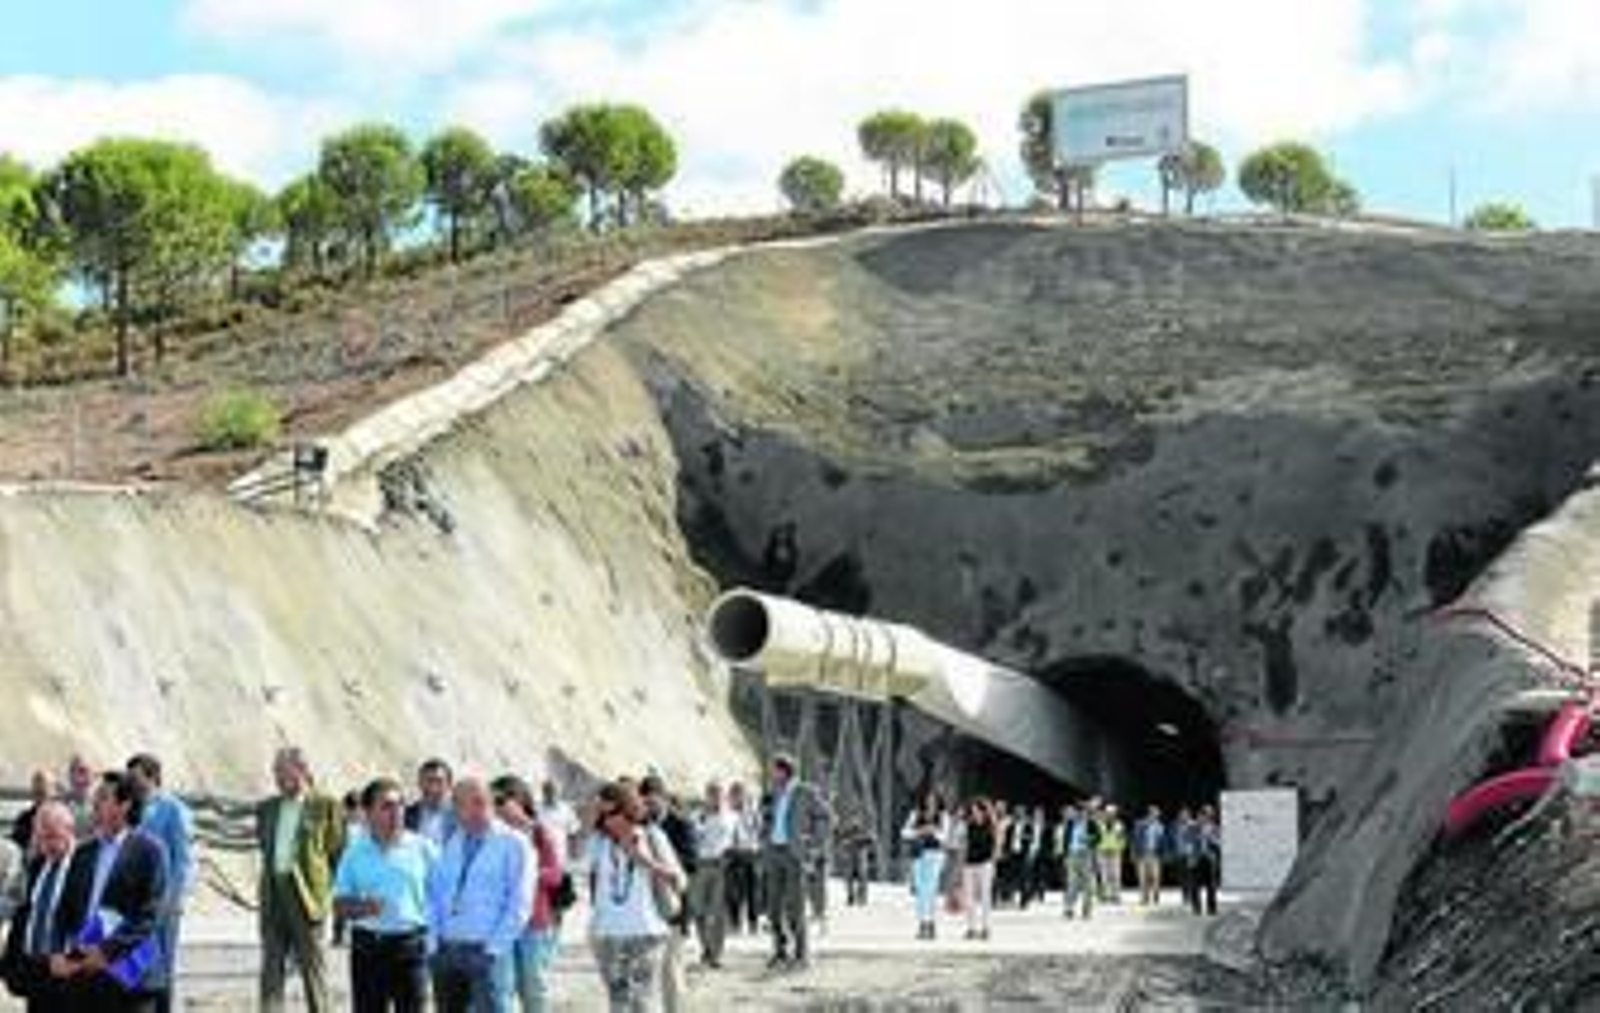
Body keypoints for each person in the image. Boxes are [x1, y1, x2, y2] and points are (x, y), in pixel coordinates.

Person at [52, 770, 171, 1011]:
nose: (95, 802)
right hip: (85, 976)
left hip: (130, 978)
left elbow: (150, 915)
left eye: (103, 797)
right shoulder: (84, 852)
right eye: (96, 796)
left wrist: (107, 951)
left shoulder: (150, 851)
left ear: (124, 805)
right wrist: (57, 952)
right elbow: (64, 910)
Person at [426, 776, 534, 1013]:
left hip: (485, 954)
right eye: (463, 804)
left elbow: (520, 904)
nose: (473, 810)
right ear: (455, 808)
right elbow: (434, 895)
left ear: (492, 804)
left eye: (480, 802)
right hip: (446, 951)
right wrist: (433, 944)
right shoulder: (450, 842)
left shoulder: (514, 843)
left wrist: (492, 951)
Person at [332, 776, 436, 1013]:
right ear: (368, 813)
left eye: (400, 805)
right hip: (368, 948)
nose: (396, 812)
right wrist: (363, 907)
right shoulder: (354, 853)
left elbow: (443, 895)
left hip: (411, 947)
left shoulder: (424, 849)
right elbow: (338, 905)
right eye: (387, 806)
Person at [257, 746, 345, 1013]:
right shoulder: (266, 808)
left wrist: (326, 895)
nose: (278, 777)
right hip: (274, 893)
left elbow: (336, 853)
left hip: (307, 896)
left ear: (302, 771)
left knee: (313, 968)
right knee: (271, 967)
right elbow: (265, 847)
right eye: (275, 772)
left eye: (283, 771)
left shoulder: (325, 805)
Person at [587, 779, 685, 1012]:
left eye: (612, 813)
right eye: (602, 815)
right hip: (608, 933)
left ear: (629, 809)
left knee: (641, 1003)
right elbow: (579, 867)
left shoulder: (652, 837)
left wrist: (642, 859)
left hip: (645, 933)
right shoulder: (599, 843)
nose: (607, 820)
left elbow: (679, 881)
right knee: (618, 1003)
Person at [490, 774, 566, 1013]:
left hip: (533, 920)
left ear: (520, 800)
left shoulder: (538, 831)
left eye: (504, 799)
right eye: (495, 801)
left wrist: (527, 874)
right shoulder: (488, 833)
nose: (500, 806)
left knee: (532, 986)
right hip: (498, 922)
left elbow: (556, 875)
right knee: (501, 987)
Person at [125, 754, 194, 1013]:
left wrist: (172, 900)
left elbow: (183, 860)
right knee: (135, 962)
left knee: (162, 965)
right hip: (134, 902)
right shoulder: (131, 807)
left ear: (151, 777)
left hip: (163, 904)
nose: (130, 781)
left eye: (136, 776)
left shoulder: (172, 809)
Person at [0, 801, 77, 1010]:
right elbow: (24, 914)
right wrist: (9, 965)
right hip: (35, 973)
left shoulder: (84, 866)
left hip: (67, 975)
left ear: (70, 830)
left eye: (52, 836)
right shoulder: (38, 865)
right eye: (40, 837)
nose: (46, 844)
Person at [761, 754, 829, 969]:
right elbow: (769, 820)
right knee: (772, 907)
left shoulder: (805, 792)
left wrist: (812, 843)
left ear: (784, 771)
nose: (772, 774)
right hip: (774, 853)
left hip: (794, 854)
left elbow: (826, 817)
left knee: (795, 906)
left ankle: (801, 954)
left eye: (775, 770)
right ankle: (780, 950)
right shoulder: (774, 794)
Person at [688, 781, 736, 970]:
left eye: (717, 794)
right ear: (706, 796)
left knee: (717, 912)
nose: (714, 797)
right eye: (711, 794)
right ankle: (706, 947)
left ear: (723, 796)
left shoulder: (731, 817)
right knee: (698, 910)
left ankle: (716, 953)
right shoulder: (697, 816)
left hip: (721, 865)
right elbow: (692, 839)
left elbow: (736, 840)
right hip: (700, 865)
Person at [901, 790, 949, 940]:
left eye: (933, 800)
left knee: (931, 888)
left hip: (935, 854)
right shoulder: (915, 814)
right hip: (918, 853)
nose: (930, 803)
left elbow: (944, 836)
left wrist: (934, 831)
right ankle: (922, 922)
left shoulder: (943, 816)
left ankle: (930, 922)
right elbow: (904, 832)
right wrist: (919, 831)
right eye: (928, 800)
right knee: (921, 889)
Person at [723, 781, 762, 935]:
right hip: (732, 853)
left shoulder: (752, 813)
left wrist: (756, 846)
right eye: (734, 795)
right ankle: (735, 922)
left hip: (750, 853)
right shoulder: (726, 813)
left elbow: (758, 831)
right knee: (733, 890)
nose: (736, 798)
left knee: (752, 889)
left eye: (739, 794)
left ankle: (753, 922)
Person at [960, 798, 998, 941]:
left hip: (985, 863)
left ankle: (986, 927)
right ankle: (971, 928)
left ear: (983, 811)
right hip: (969, 864)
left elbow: (996, 845)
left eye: (977, 810)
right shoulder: (968, 825)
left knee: (985, 897)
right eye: (973, 810)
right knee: (969, 897)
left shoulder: (991, 825)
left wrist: (993, 861)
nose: (975, 813)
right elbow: (964, 844)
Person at [406, 759, 458, 848]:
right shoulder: (406, 815)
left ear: (449, 785)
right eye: (429, 781)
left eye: (439, 781)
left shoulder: (460, 816)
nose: (433, 788)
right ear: (419, 783)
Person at [1060, 802, 1100, 920]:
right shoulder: (1070, 824)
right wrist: (1065, 855)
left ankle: (1086, 910)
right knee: (1072, 883)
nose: (1081, 814)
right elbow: (1066, 840)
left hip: (1086, 855)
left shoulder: (1091, 824)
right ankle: (1069, 909)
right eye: (1078, 812)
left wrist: (1089, 839)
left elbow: (1099, 838)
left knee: (1088, 885)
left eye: (1083, 812)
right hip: (1072, 855)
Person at [10, 770, 56, 856]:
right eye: (37, 791)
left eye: (43, 790)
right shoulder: (24, 819)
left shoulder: (62, 818)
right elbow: (15, 843)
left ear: (53, 791)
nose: (39, 789)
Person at [535, 780, 581, 865]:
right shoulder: (537, 809)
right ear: (543, 792)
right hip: (541, 854)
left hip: (559, 854)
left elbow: (574, 831)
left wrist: (574, 850)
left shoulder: (566, 809)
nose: (550, 794)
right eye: (548, 791)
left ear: (558, 792)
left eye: (553, 791)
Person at [1133, 806, 1167, 906]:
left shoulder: (1160, 826)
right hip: (1143, 854)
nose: (1155, 816)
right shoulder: (1140, 824)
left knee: (1155, 877)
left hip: (1155, 854)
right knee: (1143, 877)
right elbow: (1135, 839)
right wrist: (1135, 853)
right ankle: (1144, 897)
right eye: (1153, 814)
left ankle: (1156, 894)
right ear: (1149, 814)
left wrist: (1163, 854)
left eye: (1157, 814)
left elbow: (1163, 841)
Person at [1192, 806, 1222, 917]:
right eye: (1205, 815)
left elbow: (1219, 843)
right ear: (1200, 815)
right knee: (1195, 885)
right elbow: (1188, 841)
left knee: (1211, 885)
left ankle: (1212, 908)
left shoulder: (1214, 828)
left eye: (1209, 815)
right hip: (1197, 858)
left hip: (1209, 858)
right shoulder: (1193, 827)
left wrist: (1211, 838)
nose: (1207, 817)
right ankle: (1197, 908)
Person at [1096, 804, 1126, 904]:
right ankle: (1104, 895)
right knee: (1103, 875)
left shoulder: (1119, 825)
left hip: (1115, 852)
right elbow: (1095, 837)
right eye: (1108, 812)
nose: (1110, 814)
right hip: (1102, 852)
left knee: (1116, 874)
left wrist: (1120, 848)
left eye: (1112, 813)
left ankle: (1116, 895)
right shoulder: (1099, 824)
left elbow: (1122, 838)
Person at [1172, 808, 1200, 913]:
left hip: (1189, 854)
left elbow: (1197, 840)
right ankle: (1185, 897)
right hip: (1180, 854)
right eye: (1181, 815)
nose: (1183, 816)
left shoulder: (1193, 825)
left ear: (1188, 815)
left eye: (1185, 815)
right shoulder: (1175, 825)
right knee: (1182, 876)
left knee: (1190, 877)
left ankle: (1192, 897)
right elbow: (1173, 838)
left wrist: (1195, 854)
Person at [63, 756, 95, 837]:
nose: (87, 776)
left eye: (89, 771)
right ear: (71, 776)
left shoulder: (99, 802)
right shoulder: (61, 806)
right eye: (81, 771)